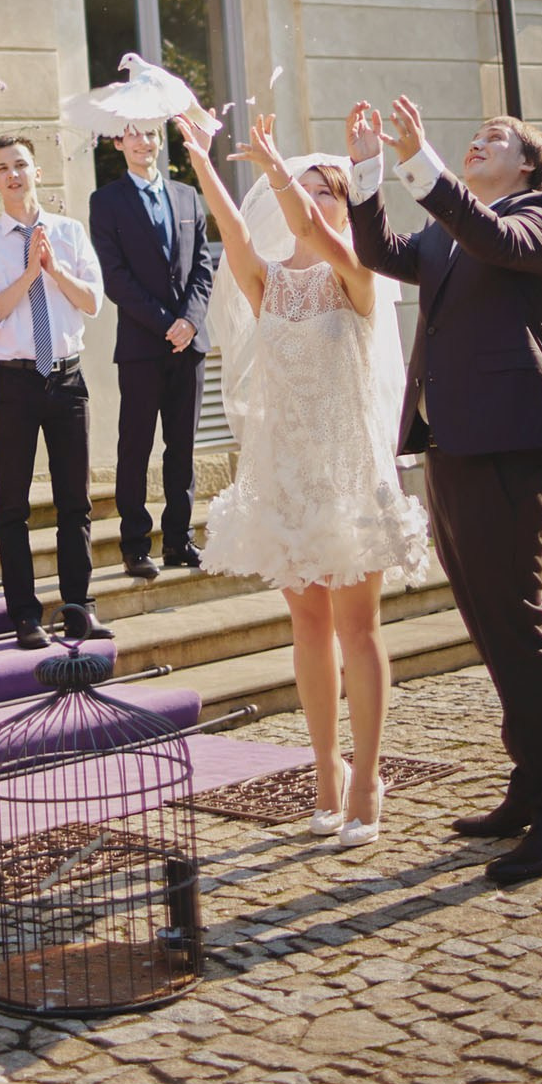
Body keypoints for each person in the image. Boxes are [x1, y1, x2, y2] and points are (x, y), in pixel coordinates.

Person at [347, 97, 542, 886]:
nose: (478, 143)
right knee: (486, 623)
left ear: (527, 165)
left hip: (508, 443)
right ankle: (529, 781)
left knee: (515, 623)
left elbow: (493, 238)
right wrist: (365, 171)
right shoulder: (446, 233)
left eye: (496, 139)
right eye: (475, 137)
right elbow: (379, 251)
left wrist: (421, 165)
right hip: (448, 441)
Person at [177, 111, 429, 847]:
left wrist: (276, 172)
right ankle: (325, 770)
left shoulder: (359, 276)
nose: (315, 200)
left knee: (358, 628)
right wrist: (202, 159)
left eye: (329, 190)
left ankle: (368, 776)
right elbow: (232, 232)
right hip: (287, 476)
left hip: (347, 477)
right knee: (308, 628)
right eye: (306, 187)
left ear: (345, 206)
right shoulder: (268, 283)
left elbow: (315, 233)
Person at [0, 134, 111, 650]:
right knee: (13, 504)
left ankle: (78, 609)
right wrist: (29, 274)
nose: (13, 174)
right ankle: (25, 615)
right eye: (2, 168)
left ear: (37, 172)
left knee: (76, 502)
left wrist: (54, 270)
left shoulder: (69, 233)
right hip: (16, 383)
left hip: (67, 379)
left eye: (21, 164)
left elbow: (93, 302)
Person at [89, 123, 213, 577]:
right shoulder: (106, 202)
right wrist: (167, 325)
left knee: (183, 448)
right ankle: (135, 545)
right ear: (118, 142)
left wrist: (189, 322)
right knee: (136, 447)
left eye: (150, 133)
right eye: (133, 134)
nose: (144, 142)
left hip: (190, 345)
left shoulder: (187, 196)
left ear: (160, 140)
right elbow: (115, 278)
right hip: (142, 346)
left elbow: (203, 267)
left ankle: (179, 540)